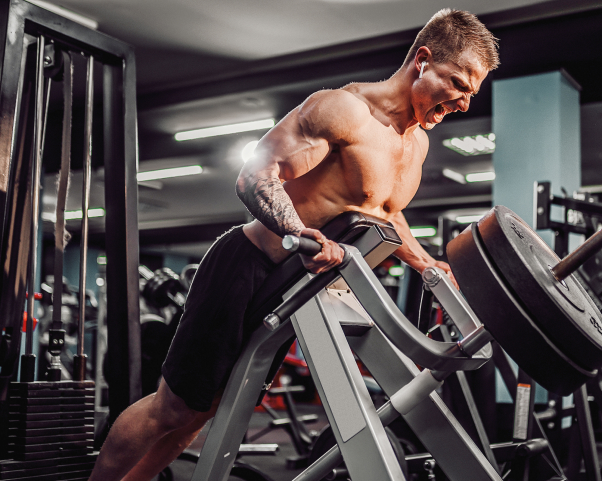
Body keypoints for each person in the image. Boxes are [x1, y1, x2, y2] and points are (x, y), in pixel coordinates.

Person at [89, 8, 498, 480]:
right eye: (459, 84)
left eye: (472, 92)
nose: (465, 103)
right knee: (173, 409)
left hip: (300, 289)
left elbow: (384, 213)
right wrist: (296, 230)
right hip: (249, 267)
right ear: (423, 60)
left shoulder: (416, 143)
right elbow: (256, 174)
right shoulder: (344, 111)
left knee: (206, 412)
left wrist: (428, 265)